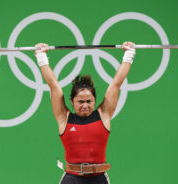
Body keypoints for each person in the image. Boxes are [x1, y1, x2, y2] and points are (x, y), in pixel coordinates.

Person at [34, 42, 136, 184]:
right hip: (72, 179)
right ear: (72, 101)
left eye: (89, 101)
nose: (85, 105)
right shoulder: (64, 118)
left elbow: (116, 83)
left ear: (95, 100)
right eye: (80, 102)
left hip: (99, 179)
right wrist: (41, 56)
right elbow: (53, 85)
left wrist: (129, 54)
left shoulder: (104, 114)